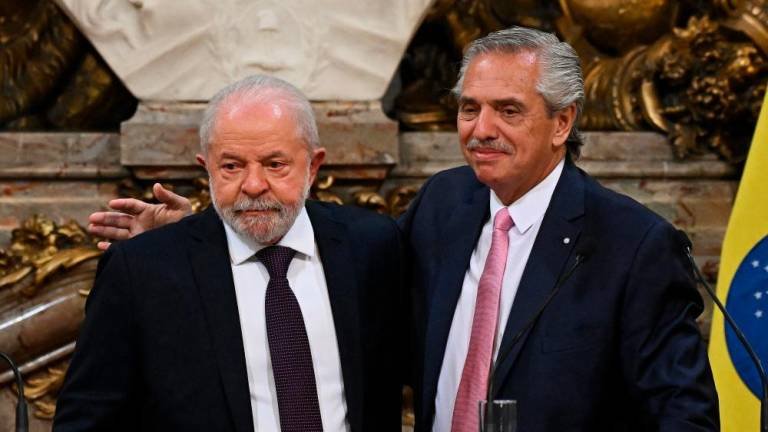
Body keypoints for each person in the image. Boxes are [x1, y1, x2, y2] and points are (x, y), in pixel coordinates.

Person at [86, 27, 720, 432]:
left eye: (507, 110)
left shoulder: (633, 244)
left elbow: (684, 415)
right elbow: (299, 250)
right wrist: (194, 242)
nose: (481, 128)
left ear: (562, 123)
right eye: (469, 108)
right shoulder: (445, 205)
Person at [54, 75, 403, 432]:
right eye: (231, 166)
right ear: (206, 167)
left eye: (275, 165)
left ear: (313, 166)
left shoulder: (372, 246)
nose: (253, 185)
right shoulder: (143, 271)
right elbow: (85, 419)